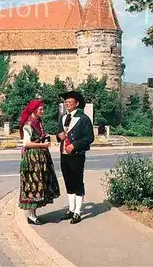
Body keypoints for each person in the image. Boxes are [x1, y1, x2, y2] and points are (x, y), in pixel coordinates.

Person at [19, 99, 60, 225]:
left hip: (39, 157)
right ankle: (31, 216)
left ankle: (33, 215)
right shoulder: (28, 125)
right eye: (40, 109)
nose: (43, 111)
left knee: (39, 184)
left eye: (42, 109)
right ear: (34, 110)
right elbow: (26, 143)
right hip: (32, 158)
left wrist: (45, 140)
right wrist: (43, 144)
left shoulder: (38, 123)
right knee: (33, 185)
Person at [57, 90, 94, 224]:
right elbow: (59, 133)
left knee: (77, 182)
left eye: (69, 102)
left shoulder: (83, 118)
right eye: (66, 102)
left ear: (76, 103)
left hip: (76, 155)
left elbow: (89, 138)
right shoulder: (62, 117)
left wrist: (75, 145)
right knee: (68, 181)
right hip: (64, 154)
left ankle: (78, 212)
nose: (67, 104)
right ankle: (71, 209)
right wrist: (58, 136)